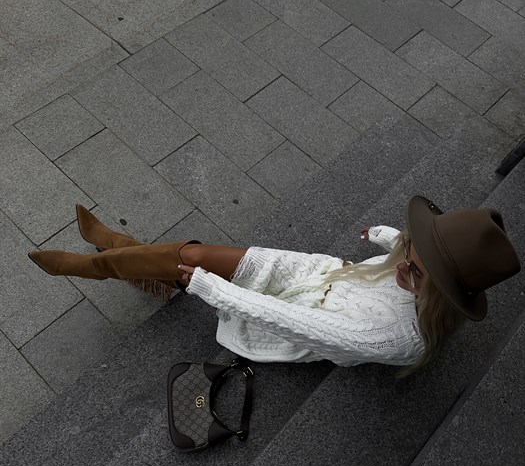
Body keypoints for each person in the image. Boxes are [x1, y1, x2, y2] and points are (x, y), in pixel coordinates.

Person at [28, 196, 520, 376]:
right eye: (408, 252)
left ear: (443, 295)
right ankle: (114, 252)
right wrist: (390, 238)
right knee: (192, 252)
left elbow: (290, 321)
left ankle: (98, 258)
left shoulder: (393, 340)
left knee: (196, 270)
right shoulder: (411, 264)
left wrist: (210, 288)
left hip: (300, 320)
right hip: (314, 272)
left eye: (414, 271)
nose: (399, 266)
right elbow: (403, 253)